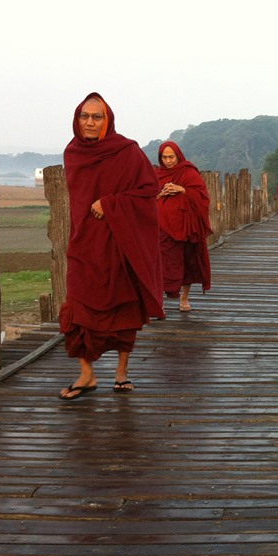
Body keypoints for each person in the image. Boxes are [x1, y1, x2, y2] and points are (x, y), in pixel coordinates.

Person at [57, 92, 165, 400]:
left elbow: (148, 188)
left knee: (122, 306)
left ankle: (121, 373)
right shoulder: (73, 153)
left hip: (119, 242)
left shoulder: (127, 151)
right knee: (77, 305)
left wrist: (111, 203)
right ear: (77, 119)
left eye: (97, 117)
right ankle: (87, 374)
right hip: (84, 241)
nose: (90, 122)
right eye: (85, 116)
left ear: (108, 120)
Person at [156, 141, 212, 313]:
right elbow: (144, 200)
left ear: (178, 155)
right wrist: (160, 194)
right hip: (163, 228)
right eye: (164, 157)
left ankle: (184, 298)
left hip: (187, 227)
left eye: (171, 157)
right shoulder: (156, 175)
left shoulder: (188, 173)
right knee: (161, 264)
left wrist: (182, 189)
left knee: (188, 262)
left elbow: (202, 197)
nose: (168, 161)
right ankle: (159, 304)